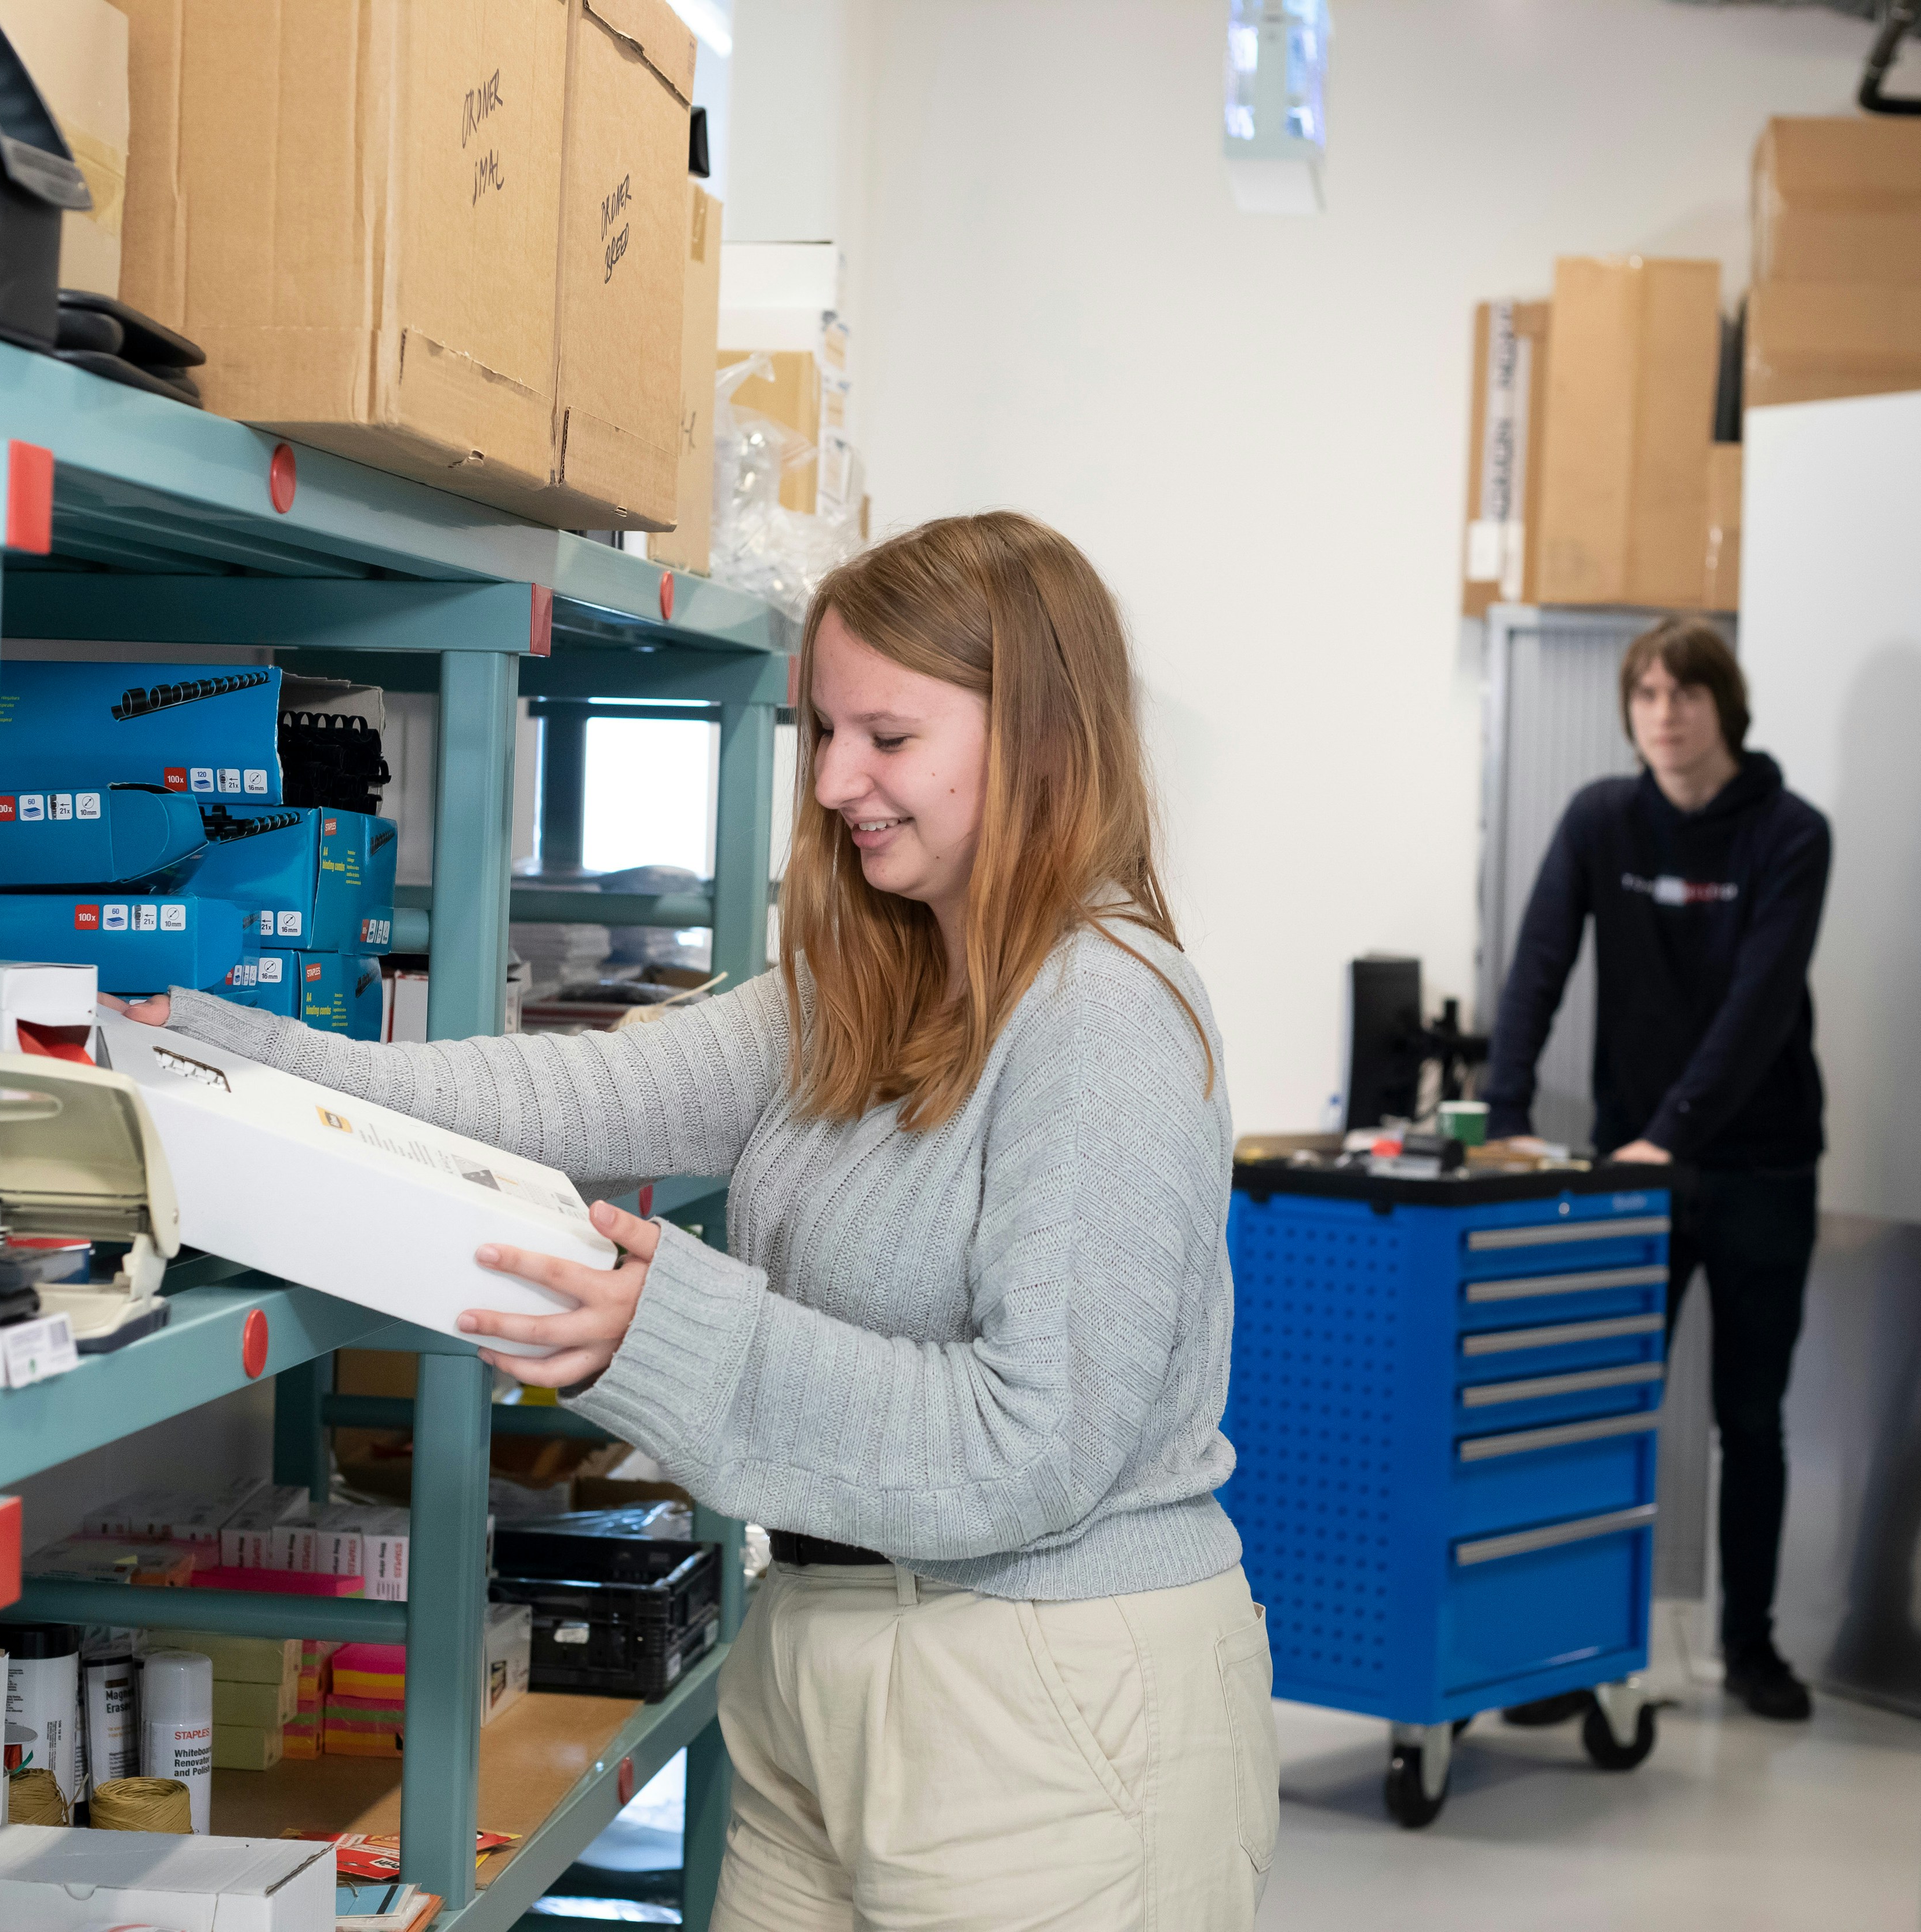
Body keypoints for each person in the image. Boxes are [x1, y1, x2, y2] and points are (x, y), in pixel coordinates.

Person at [105, 513, 1279, 1929]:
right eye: (820, 731)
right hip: (812, 1654)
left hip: (1047, 1693)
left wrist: (677, 1326)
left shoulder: (1103, 1012)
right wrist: (222, 1055)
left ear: (1036, 735)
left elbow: (1034, 1446)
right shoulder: (877, 979)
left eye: (888, 738)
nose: (838, 781)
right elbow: (559, 1092)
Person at [1483, 616, 1831, 1723]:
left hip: (1760, 1166)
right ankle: (1569, 1651)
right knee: (1602, 1411)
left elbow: (1759, 1005)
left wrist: (1670, 1132)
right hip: (1635, 1171)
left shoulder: (1788, 834)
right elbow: (1537, 962)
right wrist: (1502, 1112)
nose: (1664, 714)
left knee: (1751, 1416)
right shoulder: (1600, 819)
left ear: (1725, 707)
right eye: (1645, 694)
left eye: (1685, 693)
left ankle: (1753, 1648)